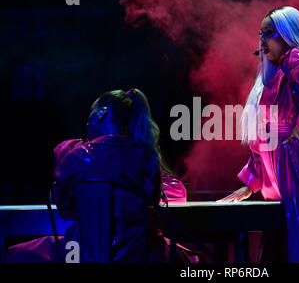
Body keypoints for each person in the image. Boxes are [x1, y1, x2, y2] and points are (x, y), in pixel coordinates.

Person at [218, 6, 299, 262]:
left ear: (288, 36)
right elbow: (264, 141)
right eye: (261, 33)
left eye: (270, 33)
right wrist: (249, 185)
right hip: (285, 182)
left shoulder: (295, 58)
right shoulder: (270, 78)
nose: (262, 39)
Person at [8, 89, 193, 262]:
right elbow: (170, 197)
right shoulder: (146, 156)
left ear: (101, 113)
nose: (87, 122)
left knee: (15, 253)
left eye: (91, 112)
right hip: (139, 251)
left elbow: (65, 210)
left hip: (84, 252)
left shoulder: (78, 154)